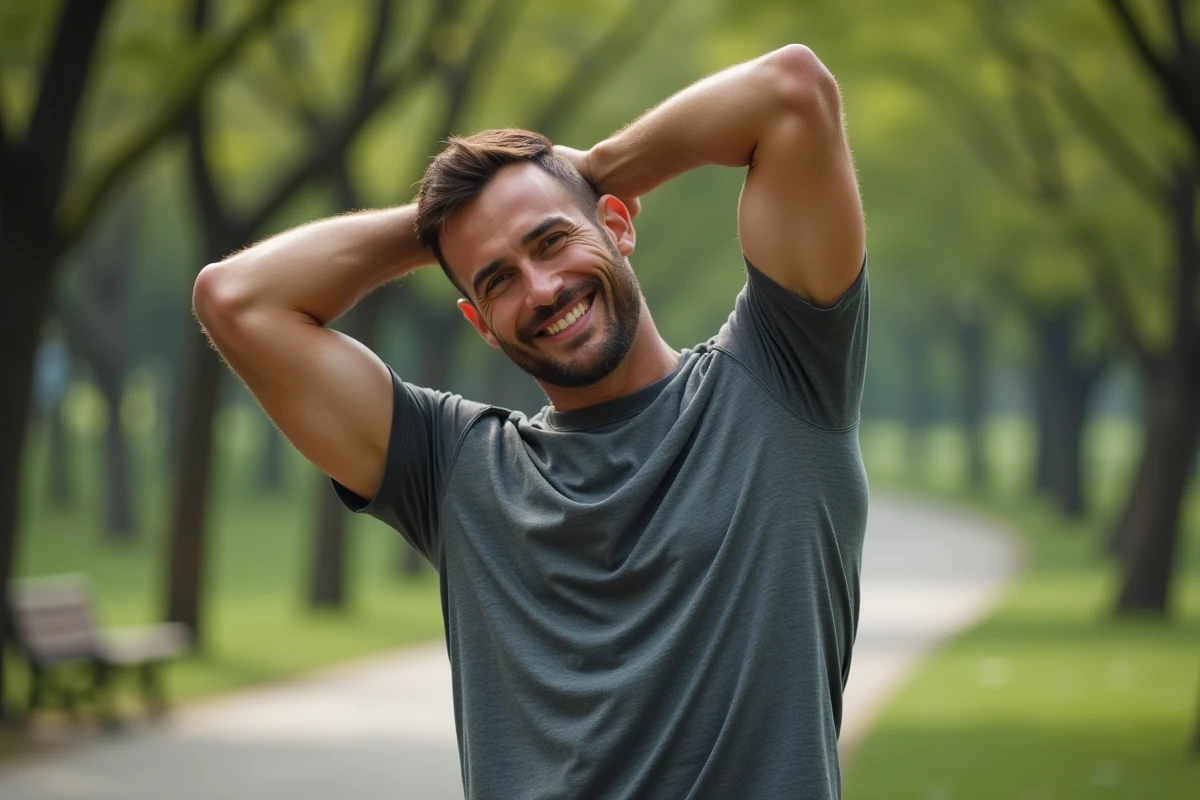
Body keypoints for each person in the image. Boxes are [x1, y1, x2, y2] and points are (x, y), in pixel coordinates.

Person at [193, 43, 867, 800]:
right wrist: (440, 230)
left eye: (551, 240)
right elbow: (236, 299)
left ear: (619, 226)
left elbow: (790, 90)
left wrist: (596, 167)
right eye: (498, 281)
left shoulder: (783, 378)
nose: (542, 289)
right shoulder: (454, 471)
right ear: (480, 324)